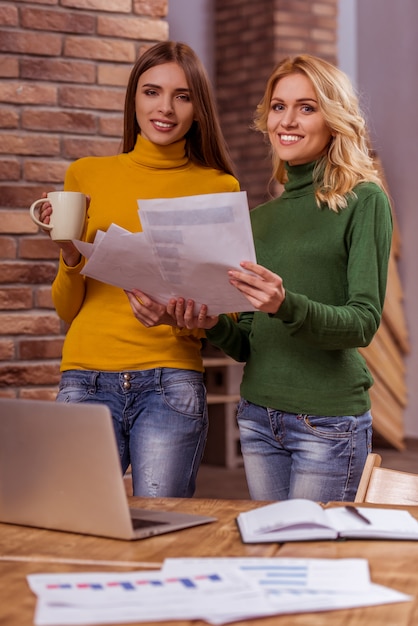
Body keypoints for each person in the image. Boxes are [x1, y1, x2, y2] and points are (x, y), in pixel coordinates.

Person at [167, 54, 393, 502]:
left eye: (307, 107)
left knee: (309, 562)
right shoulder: (259, 219)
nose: (287, 120)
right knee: (269, 558)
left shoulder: (365, 200)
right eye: (278, 106)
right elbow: (250, 339)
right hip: (257, 418)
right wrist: (212, 324)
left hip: (326, 423)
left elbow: (363, 321)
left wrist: (285, 304)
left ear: (333, 118)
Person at [36, 41, 239, 497]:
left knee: (164, 524)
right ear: (134, 99)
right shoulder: (86, 175)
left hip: (171, 382)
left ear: (198, 109)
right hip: (85, 379)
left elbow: (226, 314)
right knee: (76, 521)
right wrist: (69, 254)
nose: (164, 108)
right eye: (151, 92)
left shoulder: (218, 186)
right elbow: (67, 310)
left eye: (182, 96)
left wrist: (184, 322)